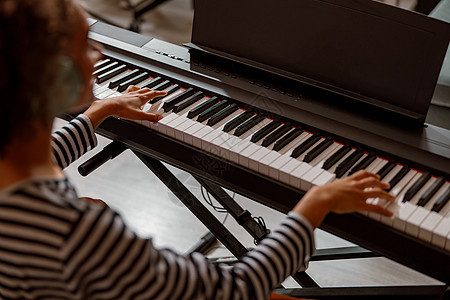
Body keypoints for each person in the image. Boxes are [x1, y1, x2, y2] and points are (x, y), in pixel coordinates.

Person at [0, 0, 395, 299]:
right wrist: (314, 206)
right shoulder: (75, 232)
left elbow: (42, 159)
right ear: (54, 81)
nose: (99, 56)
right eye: (86, 47)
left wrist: (98, 112)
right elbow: (239, 287)